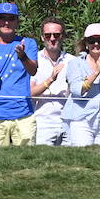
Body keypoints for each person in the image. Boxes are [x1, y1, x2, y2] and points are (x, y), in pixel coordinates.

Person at [0, 2, 38, 148]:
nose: (6, 22)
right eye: (2, 18)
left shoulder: (28, 43)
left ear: (17, 22)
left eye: (11, 18)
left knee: (28, 160)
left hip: (22, 113)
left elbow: (33, 70)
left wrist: (23, 56)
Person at [62, 23, 100, 147]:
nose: (96, 44)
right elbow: (77, 90)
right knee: (83, 159)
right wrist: (96, 72)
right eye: (91, 40)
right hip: (80, 119)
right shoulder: (75, 63)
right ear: (86, 43)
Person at [31, 18, 70, 146]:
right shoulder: (33, 61)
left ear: (63, 36)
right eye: (48, 35)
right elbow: (30, 93)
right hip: (43, 123)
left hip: (68, 122)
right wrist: (50, 80)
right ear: (42, 37)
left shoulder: (72, 61)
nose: (52, 38)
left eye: (56, 35)